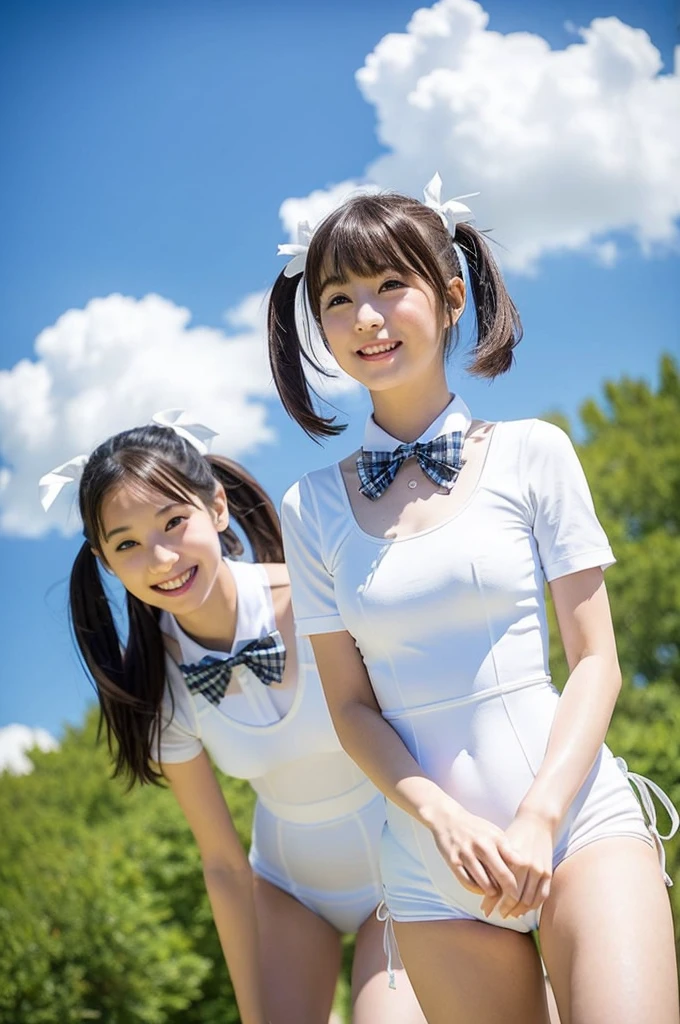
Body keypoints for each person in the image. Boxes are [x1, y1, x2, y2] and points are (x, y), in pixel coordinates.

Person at [268, 176, 680, 1024]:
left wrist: (538, 817)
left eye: (391, 286)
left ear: (451, 296)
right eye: (338, 299)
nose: (367, 319)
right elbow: (350, 708)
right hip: (430, 870)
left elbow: (597, 661)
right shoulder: (309, 507)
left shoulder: (536, 452)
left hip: (575, 827)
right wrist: (441, 820)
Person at [43, 414, 425, 1024]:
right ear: (105, 562)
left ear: (216, 507)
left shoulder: (319, 596)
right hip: (289, 890)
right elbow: (221, 864)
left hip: (406, 866)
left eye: (174, 522)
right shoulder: (156, 684)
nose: (161, 557)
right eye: (127, 544)